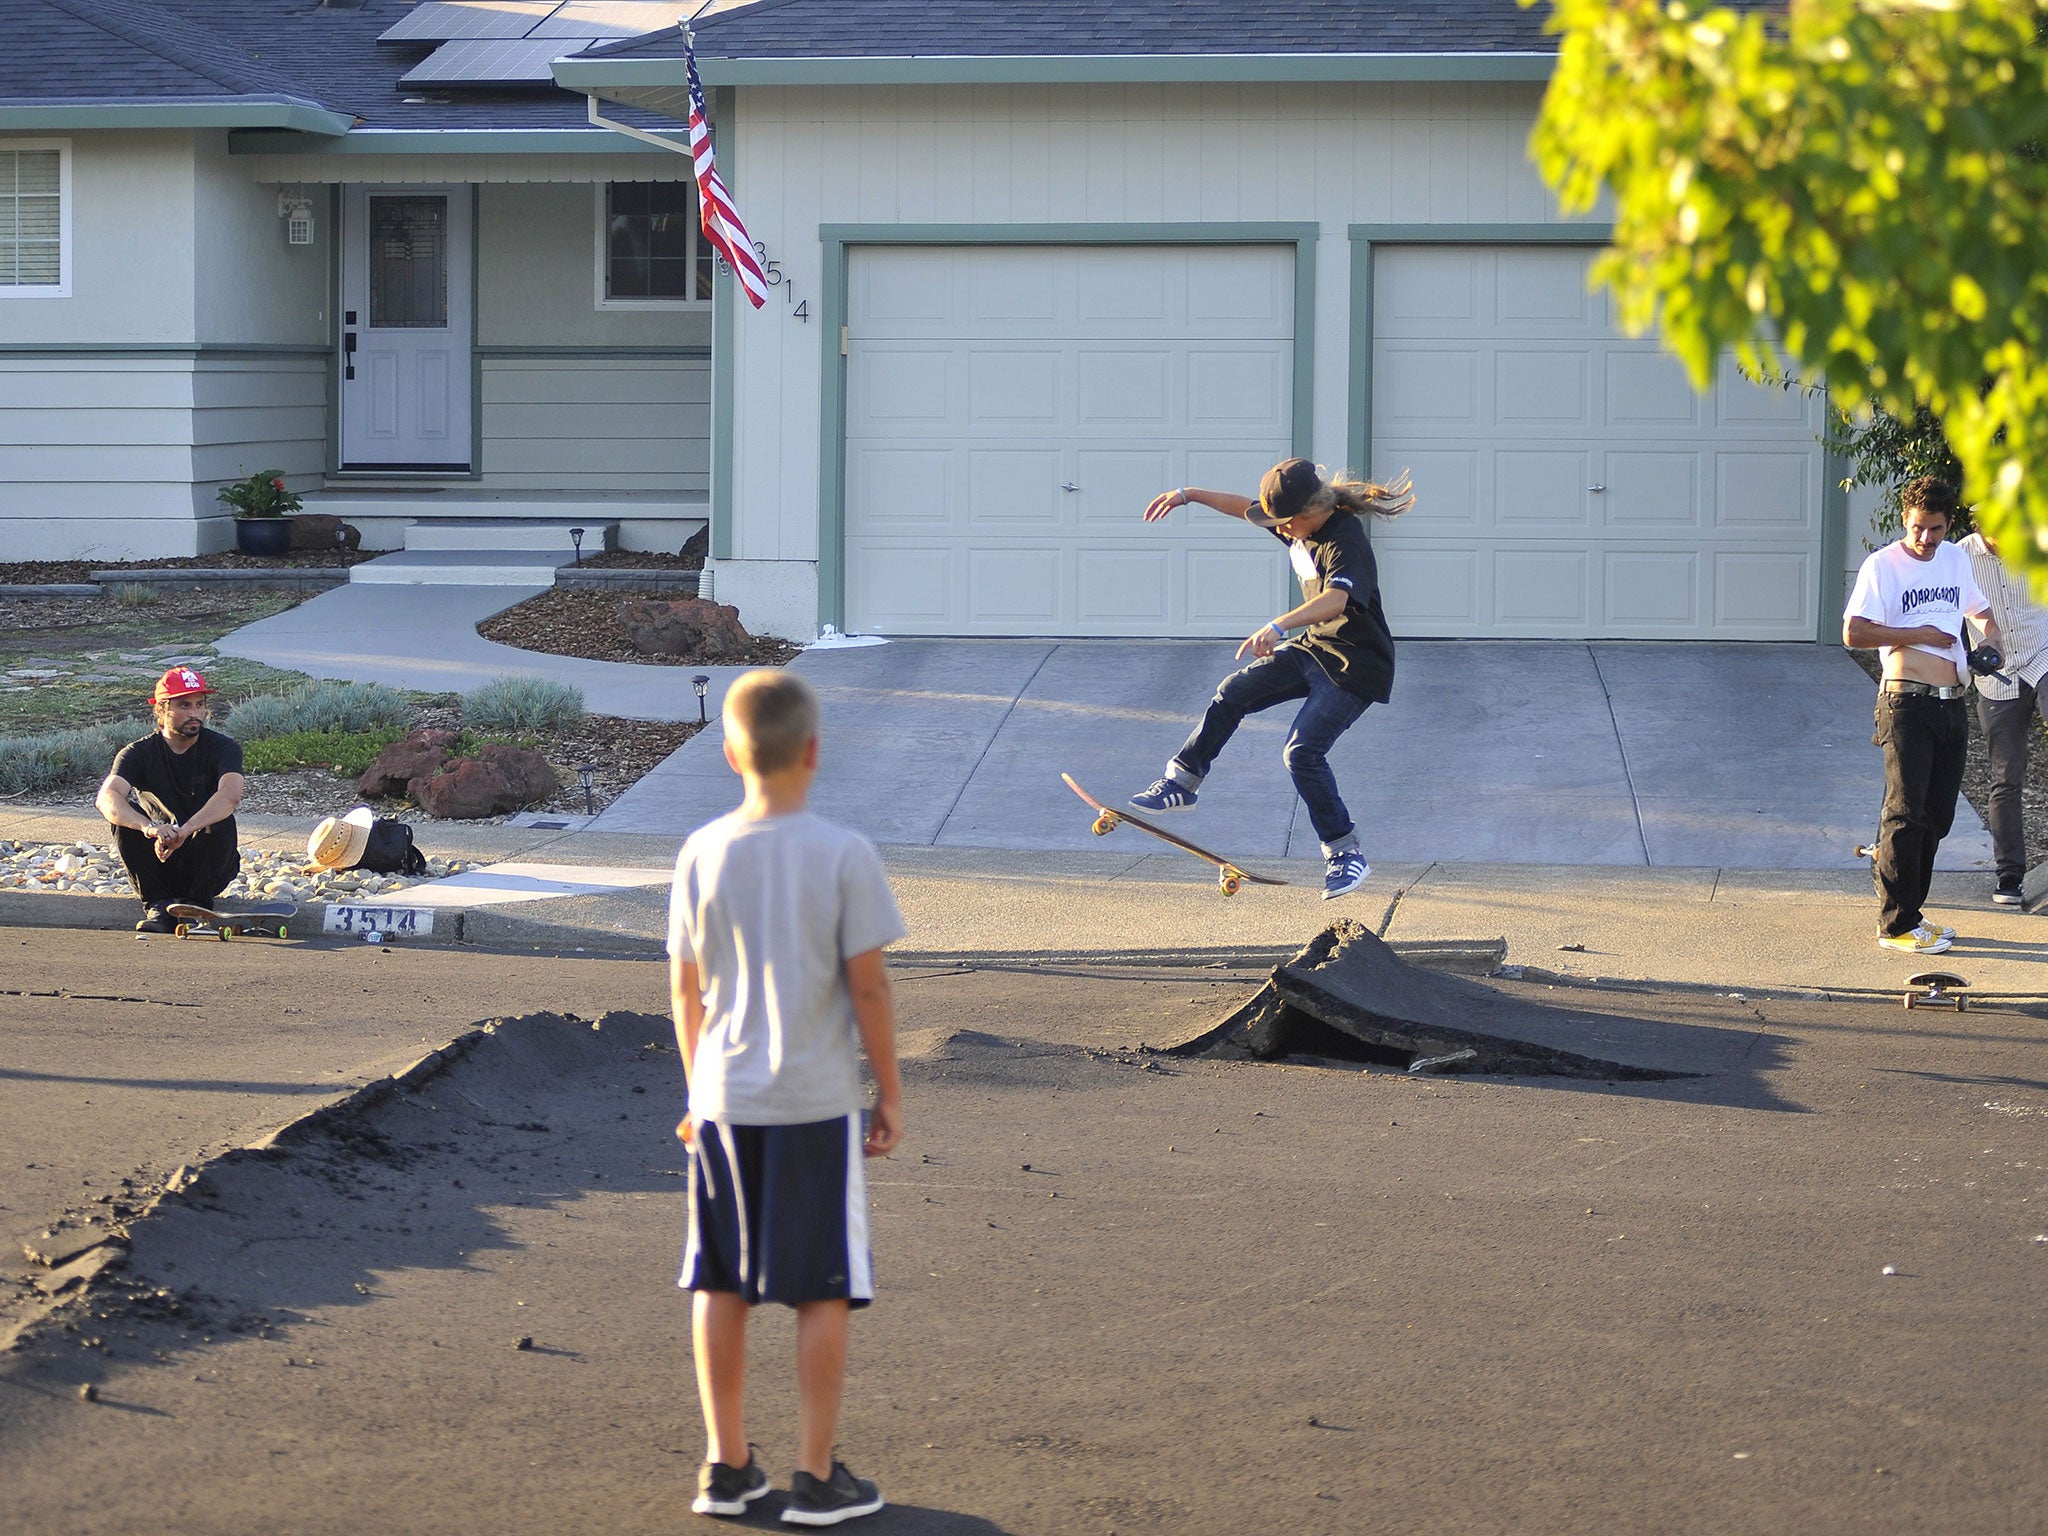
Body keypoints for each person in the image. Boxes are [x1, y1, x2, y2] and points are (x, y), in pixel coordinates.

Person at [667, 668, 906, 1526]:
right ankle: (813, 1475)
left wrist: (697, 1090)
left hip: (726, 1099)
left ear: (731, 752)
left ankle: (726, 1466)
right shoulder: (844, 854)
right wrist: (889, 1092)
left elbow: (685, 993)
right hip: (813, 1102)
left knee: (720, 1281)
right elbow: (869, 989)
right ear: (813, 750)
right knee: (822, 1289)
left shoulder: (700, 852)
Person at [1128, 457, 1414, 899]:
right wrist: (1189, 495)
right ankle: (1182, 782)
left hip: (1355, 666)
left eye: (1284, 524)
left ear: (1307, 515)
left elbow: (1336, 601)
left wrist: (1279, 625)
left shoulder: (1345, 540)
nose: (1279, 531)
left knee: (1301, 752)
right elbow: (1242, 505)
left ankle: (1345, 852)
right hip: (1314, 649)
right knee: (1233, 691)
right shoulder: (1294, 523)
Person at [1843, 477, 2001, 954]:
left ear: (1948, 524)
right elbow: (1854, 632)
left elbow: (1983, 613)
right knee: (1906, 812)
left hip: (1952, 702)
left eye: (1934, 529)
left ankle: (1911, 909)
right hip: (1906, 702)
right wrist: (1920, 634)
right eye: (1917, 528)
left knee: (1937, 815)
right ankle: (1895, 924)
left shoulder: (1955, 558)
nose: (1925, 539)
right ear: (1904, 521)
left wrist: (1988, 641)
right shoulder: (1883, 566)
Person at [94, 666, 244, 934]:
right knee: (123, 819)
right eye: (185, 705)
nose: (195, 713)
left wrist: (185, 830)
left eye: (200, 705)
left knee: (221, 819)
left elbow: (230, 795)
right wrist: (149, 828)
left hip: (206, 861)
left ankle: (197, 906)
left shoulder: (224, 748)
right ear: (162, 709)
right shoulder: (137, 753)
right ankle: (158, 905)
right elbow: (107, 797)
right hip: (158, 856)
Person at [1955, 523, 2048, 905]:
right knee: (2006, 775)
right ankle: (2010, 874)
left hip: (2042, 656)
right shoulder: (1958, 557)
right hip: (1997, 676)